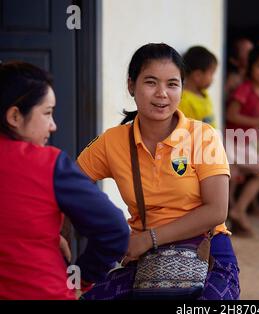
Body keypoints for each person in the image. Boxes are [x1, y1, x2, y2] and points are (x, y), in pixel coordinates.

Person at [76, 43, 240, 300]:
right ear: (132, 85)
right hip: (145, 257)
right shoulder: (112, 142)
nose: (162, 94)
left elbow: (217, 210)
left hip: (207, 250)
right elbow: (70, 186)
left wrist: (148, 238)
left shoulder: (203, 136)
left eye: (172, 84)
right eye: (151, 82)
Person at [0, 61, 130, 300]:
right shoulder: (48, 164)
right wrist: (81, 278)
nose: (53, 125)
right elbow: (115, 230)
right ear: (15, 116)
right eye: (47, 113)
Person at [225, 44, 259, 237]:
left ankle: (236, 213)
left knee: (237, 178)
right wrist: (256, 122)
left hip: (245, 144)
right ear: (250, 68)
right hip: (234, 142)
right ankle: (237, 211)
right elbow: (230, 114)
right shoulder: (245, 89)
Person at [178, 46, 218, 128]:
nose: (213, 79)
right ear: (198, 75)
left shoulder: (204, 93)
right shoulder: (184, 101)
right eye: (211, 74)